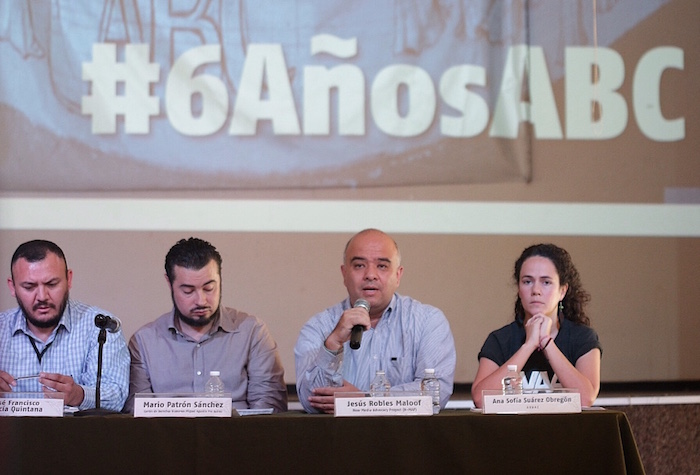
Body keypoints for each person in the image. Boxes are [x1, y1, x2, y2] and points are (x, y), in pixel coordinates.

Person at [295, 228, 456, 414]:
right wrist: (333, 343)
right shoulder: (319, 327)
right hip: (340, 440)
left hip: (407, 439)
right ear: (344, 274)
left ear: (398, 275)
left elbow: (435, 395)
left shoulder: (428, 321)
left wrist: (366, 400)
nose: (370, 275)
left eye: (382, 266)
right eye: (359, 266)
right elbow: (311, 401)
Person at [125, 237, 287, 413]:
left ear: (220, 278)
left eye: (209, 288)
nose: (201, 300)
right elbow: (138, 417)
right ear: (169, 283)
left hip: (239, 437)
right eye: (188, 291)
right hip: (167, 439)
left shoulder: (252, 332)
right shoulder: (144, 341)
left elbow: (269, 411)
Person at [0, 240, 129, 411]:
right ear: (13, 287)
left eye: (52, 284)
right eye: (29, 286)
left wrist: (80, 395)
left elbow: (117, 396)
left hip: (77, 436)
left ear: (69, 279)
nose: (42, 296)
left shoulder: (99, 326)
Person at [471, 243, 602, 408]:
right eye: (527, 282)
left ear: (562, 291)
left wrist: (547, 342)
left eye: (546, 282)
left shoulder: (582, 337)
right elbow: (480, 399)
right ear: (519, 289)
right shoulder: (500, 339)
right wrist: (529, 345)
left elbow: (585, 399)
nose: (536, 290)